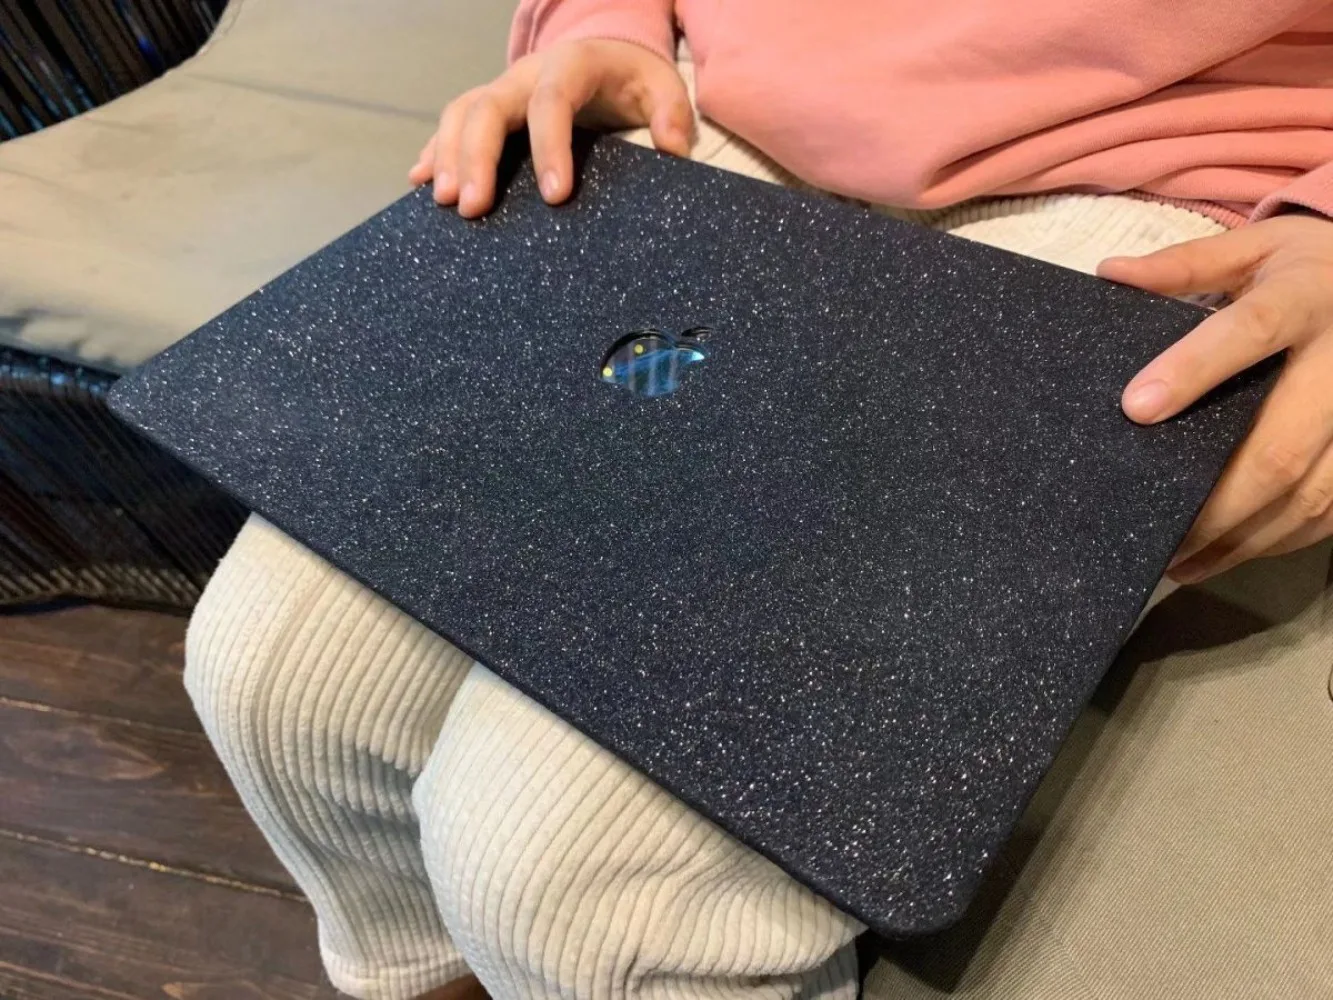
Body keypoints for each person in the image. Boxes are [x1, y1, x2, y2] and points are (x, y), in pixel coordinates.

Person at [187, 3, 1333, 998]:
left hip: (1187, 167)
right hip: (715, 98)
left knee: (569, 883)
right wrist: (599, 23)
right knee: (274, 681)